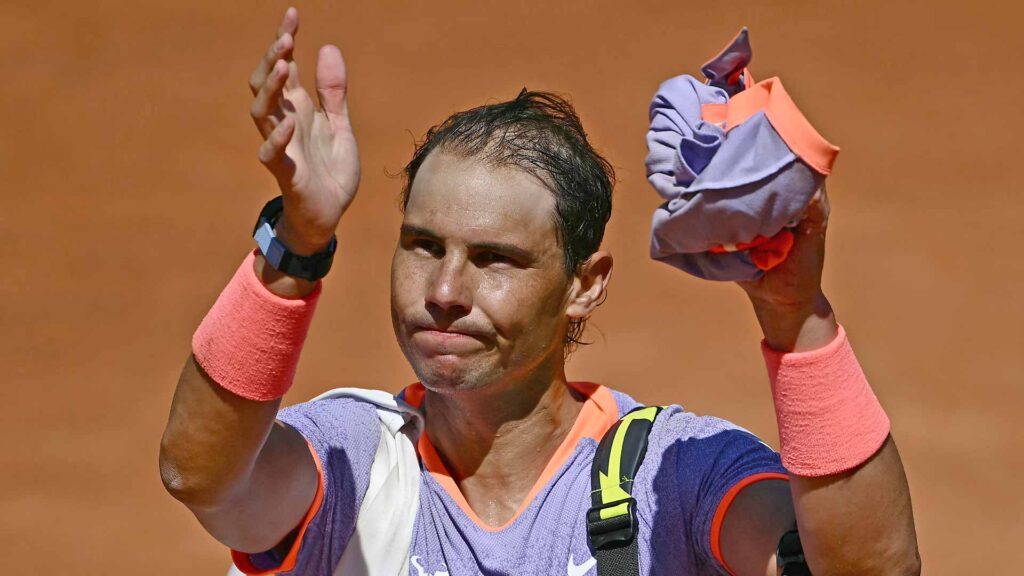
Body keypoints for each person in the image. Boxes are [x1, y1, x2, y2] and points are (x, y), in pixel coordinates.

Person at [159, 7, 920, 575]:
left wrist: (796, 318)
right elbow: (202, 475)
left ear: (584, 287)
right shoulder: (357, 460)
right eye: (423, 246)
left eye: (496, 259)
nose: (445, 290)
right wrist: (297, 243)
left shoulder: (674, 475)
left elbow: (870, 572)